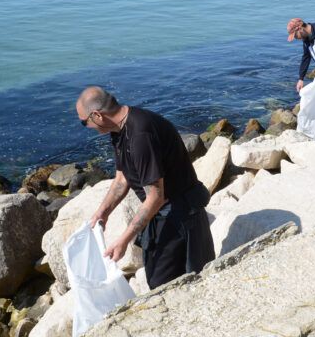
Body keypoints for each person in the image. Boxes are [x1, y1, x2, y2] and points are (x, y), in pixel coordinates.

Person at [76, 86, 215, 289]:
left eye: (84, 122)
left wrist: (123, 241)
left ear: (97, 115)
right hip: (162, 212)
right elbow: (122, 177)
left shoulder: (140, 135)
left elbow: (155, 197)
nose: (87, 127)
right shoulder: (119, 129)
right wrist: (102, 212)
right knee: (157, 278)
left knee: (174, 283)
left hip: (181, 213)